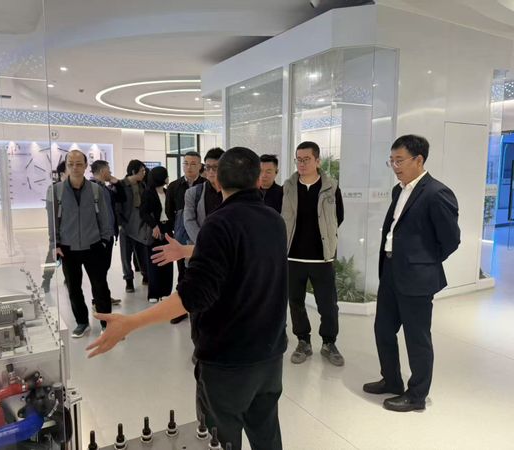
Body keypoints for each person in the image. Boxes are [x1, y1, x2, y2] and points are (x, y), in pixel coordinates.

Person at [88, 147, 288, 450]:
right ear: (257, 179)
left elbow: (191, 296)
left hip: (228, 360)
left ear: (217, 180)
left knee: (219, 440)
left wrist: (131, 322)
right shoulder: (274, 221)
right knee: (267, 434)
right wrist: (189, 250)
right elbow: (243, 252)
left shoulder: (219, 223)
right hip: (270, 355)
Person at [363, 135, 460, 412]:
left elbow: (451, 240)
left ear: (419, 160)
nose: (395, 166)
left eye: (399, 160)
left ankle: (417, 395)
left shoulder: (436, 193)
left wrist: (423, 262)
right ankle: (391, 380)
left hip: (417, 277)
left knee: (417, 337)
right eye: (391, 161)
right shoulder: (399, 190)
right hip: (391, 271)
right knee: (383, 329)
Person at [282, 141, 345, 366]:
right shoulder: (288, 186)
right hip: (293, 256)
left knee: (328, 305)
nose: (301, 163)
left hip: (322, 258)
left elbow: (339, 216)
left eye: (306, 159)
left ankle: (329, 343)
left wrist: (327, 238)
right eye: (298, 159)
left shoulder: (331, 187)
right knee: (295, 302)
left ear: (317, 161)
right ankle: (303, 341)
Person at [46, 150, 114, 337]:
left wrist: (104, 241)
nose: (74, 168)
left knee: (100, 286)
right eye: (70, 164)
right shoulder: (56, 190)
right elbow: (52, 221)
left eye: (78, 164)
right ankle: (82, 322)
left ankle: (107, 323)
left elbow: (104, 218)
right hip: (68, 248)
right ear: (66, 166)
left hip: (94, 245)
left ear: (85, 166)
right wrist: (54, 244)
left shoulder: (96, 190)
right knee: (73, 288)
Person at [173, 147, 224, 324]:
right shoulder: (193, 193)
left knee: (222, 301)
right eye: (208, 167)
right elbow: (188, 220)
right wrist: (205, 245)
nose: (211, 171)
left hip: (225, 255)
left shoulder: (233, 192)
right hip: (199, 252)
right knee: (197, 299)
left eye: (216, 167)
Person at [165, 151, 205, 282]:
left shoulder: (206, 185)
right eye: (186, 163)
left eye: (193, 164)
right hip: (181, 232)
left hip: (201, 231)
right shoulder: (174, 186)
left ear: (200, 166)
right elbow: (169, 210)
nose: (189, 167)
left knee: (200, 265)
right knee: (182, 268)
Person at [91, 160, 126, 306]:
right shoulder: (91, 188)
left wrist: (117, 183)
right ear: (102, 171)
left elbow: (122, 198)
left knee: (103, 269)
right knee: (99, 270)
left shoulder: (106, 189)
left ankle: (103, 297)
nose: (110, 173)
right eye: (108, 170)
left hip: (109, 234)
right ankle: (99, 300)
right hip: (99, 237)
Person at [140, 166, 174, 303]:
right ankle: (153, 293)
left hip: (167, 228)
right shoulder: (148, 193)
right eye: (166, 175)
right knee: (154, 261)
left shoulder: (168, 192)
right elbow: (143, 212)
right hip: (155, 229)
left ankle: (166, 291)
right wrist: (154, 225)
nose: (168, 178)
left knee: (168, 260)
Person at [116, 160, 150, 293]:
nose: (144, 173)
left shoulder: (143, 185)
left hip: (141, 224)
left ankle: (145, 274)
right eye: (142, 171)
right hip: (126, 225)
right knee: (125, 255)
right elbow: (117, 206)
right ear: (133, 171)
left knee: (142, 253)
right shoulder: (120, 185)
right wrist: (120, 223)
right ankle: (128, 280)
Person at [42, 161, 67, 293]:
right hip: (59, 230)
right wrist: (54, 239)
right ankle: (46, 280)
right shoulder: (54, 189)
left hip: (72, 232)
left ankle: (68, 279)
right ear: (62, 173)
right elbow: (51, 215)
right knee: (53, 256)